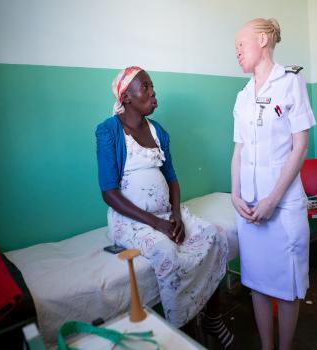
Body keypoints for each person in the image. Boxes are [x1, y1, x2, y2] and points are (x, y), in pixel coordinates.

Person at [96, 66, 234, 349]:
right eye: (145, 87)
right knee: (166, 252)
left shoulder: (158, 131)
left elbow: (171, 178)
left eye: (151, 86)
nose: (153, 92)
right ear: (126, 97)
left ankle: (212, 318)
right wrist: (156, 224)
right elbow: (109, 193)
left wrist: (175, 215)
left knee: (215, 236)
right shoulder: (108, 131)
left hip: (165, 214)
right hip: (130, 220)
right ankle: (181, 330)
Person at [231, 18, 316, 350]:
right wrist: (236, 194)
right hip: (250, 207)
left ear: (263, 40)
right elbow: (238, 150)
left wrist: (272, 200)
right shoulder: (241, 97)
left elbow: (300, 146)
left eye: (241, 44)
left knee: (288, 284)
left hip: (281, 206)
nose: (236, 52)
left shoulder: (290, 82)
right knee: (257, 283)